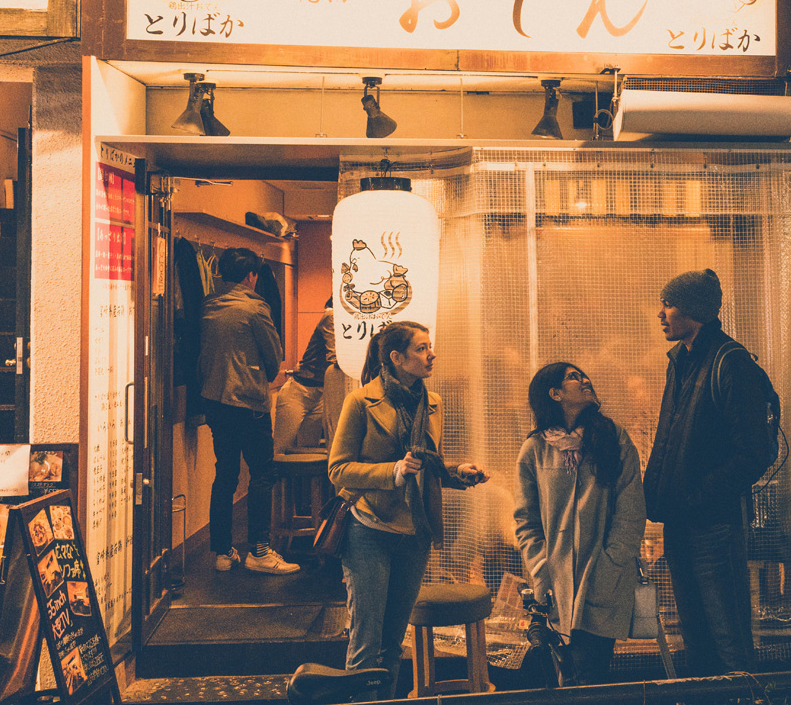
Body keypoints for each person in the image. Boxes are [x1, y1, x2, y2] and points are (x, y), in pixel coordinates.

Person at [327, 322, 489, 697]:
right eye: (421, 348)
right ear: (396, 358)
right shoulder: (361, 401)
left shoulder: (432, 403)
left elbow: (426, 468)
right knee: (367, 643)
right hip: (369, 528)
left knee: (394, 643)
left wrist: (458, 474)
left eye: (430, 346)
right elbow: (338, 469)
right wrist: (393, 472)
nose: (431, 354)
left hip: (415, 532)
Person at [643, 269, 771, 675]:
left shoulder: (730, 363)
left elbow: (755, 452)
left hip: (713, 523)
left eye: (668, 304)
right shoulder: (681, 361)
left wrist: (700, 496)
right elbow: (671, 439)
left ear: (695, 311)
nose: (661, 313)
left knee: (728, 636)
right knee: (695, 635)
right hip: (681, 521)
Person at [513, 362, 646, 685]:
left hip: (602, 579)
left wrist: (611, 563)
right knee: (567, 679)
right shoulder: (535, 449)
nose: (585, 379)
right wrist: (541, 569)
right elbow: (526, 520)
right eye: (573, 377)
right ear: (554, 394)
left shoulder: (612, 437)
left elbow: (631, 509)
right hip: (553, 587)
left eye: (584, 375)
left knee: (591, 675)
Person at [199, 247, 299, 575]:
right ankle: (259, 551)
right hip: (248, 402)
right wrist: (266, 374)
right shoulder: (255, 308)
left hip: (213, 402)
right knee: (262, 474)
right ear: (250, 276)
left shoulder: (209, 305)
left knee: (225, 475)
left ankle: (223, 553)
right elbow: (274, 359)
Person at [273, 297, 336, 453]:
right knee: (281, 449)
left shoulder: (338, 320)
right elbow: (335, 357)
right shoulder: (331, 316)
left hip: (320, 392)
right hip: (299, 390)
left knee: (310, 451)